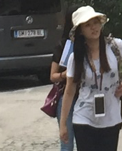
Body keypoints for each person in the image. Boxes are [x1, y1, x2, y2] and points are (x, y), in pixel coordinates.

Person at [59, 6, 122, 151]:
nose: (93, 27)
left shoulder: (114, 46)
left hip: (111, 116)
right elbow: (69, 91)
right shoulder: (76, 58)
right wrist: (63, 124)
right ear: (80, 31)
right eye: (88, 25)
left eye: (95, 22)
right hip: (84, 116)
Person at [50, 8, 75, 151]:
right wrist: (65, 74)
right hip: (65, 95)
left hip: (86, 97)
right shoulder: (62, 45)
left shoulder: (92, 44)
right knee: (67, 143)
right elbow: (52, 76)